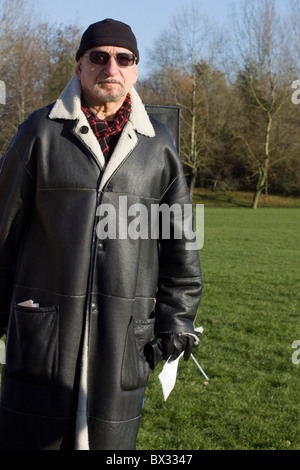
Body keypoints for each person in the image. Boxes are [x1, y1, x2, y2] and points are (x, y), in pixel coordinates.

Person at [0, 19, 202, 450]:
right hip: (45, 334)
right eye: (98, 57)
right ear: (78, 68)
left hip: (121, 337)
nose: (111, 66)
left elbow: (181, 246)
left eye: (123, 58)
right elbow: (2, 234)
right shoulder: (39, 133)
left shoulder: (159, 145)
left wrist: (177, 319)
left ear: (134, 71)